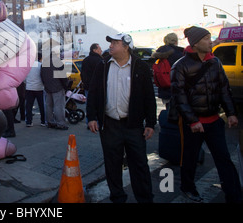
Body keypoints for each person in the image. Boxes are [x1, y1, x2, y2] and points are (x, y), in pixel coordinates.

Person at [171, 26, 242, 203]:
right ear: (195, 43)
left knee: (224, 159)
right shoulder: (180, 66)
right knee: (190, 158)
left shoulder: (215, 62)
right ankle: (188, 187)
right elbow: (179, 97)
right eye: (206, 38)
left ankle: (233, 194)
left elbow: (224, 89)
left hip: (214, 121)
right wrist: (193, 121)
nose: (210, 41)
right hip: (193, 125)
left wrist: (231, 113)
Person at [87, 33, 156, 203]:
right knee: (112, 165)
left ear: (126, 47)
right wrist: (92, 117)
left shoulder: (140, 66)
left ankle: (145, 199)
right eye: (110, 43)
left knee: (139, 165)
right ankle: (118, 198)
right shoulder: (103, 66)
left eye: (115, 43)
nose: (110, 46)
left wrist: (151, 123)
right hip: (110, 125)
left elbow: (149, 96)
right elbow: (93, 93)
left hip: (133, 125)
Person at [152, 33, 184, 106]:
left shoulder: (159, 53)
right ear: (176, 41)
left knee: (168, 110)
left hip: (164, 87)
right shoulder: (180, 53)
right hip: (178, 88)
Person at [41, 51, 70, 130]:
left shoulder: (44, 63)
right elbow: (62, 76)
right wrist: (66, 85)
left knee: (48, 106)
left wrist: (45, 85)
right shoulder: (57, 62)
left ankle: (49, 122)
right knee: (59, 106)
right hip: (57, 87)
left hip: (47, 87)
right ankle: (60, 123)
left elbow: (42, 75)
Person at [24, 53, 45, 127]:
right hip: (39, 88)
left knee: (28, 106)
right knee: (42, 105)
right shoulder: (40, 65)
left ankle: (29, 122)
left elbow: (24, 77)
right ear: (40, 58)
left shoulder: (28, 66)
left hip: (29, 88)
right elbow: (43, 76)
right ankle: (43, 121)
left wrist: (27, 83)